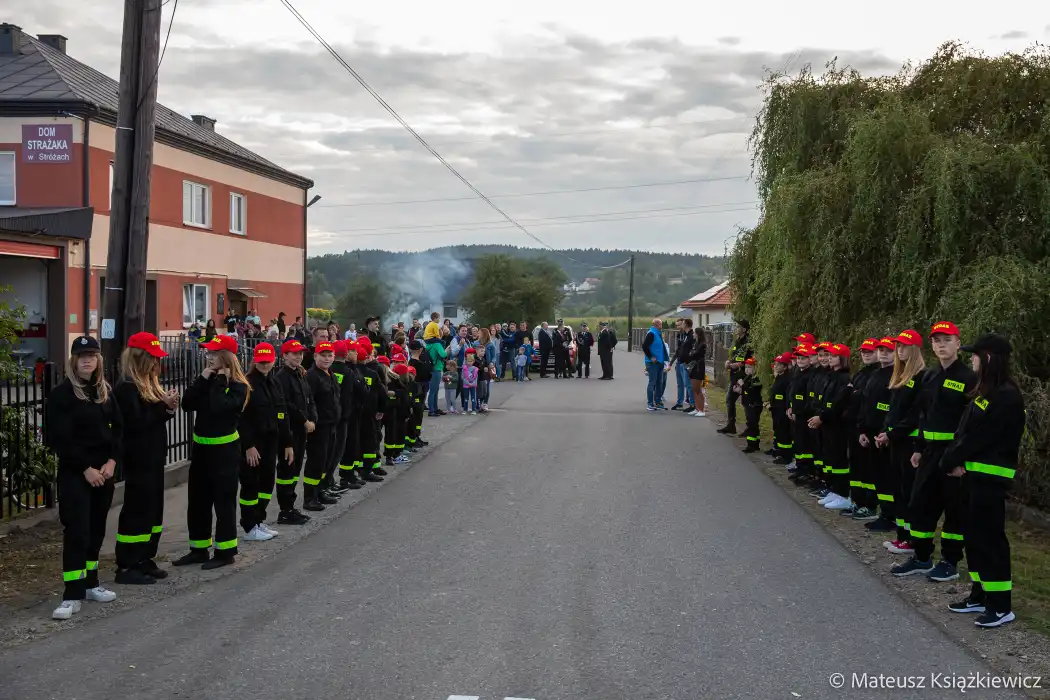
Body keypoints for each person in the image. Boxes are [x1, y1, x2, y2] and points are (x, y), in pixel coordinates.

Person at [940, 333, 1024, 628]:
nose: (971, 359)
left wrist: (950, 460)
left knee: (990, 541)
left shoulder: (1006, 396)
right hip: (973, 477)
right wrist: (954, 460)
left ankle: (1000, 606)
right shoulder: (986, 392)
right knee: (974, 539)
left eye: (975, 355)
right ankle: (980, 594)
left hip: (990, 479)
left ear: (987, 358)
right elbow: (963, 432)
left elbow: (979, 438)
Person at [892, 321, 977, 582]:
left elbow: (972, 422)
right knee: (920, 504)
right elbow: (923, 414)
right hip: (928, 452)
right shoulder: (929, 376)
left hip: (952, 454)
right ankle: (921, 557)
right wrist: (918, 447)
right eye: (937, 340)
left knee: (953, 510)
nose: (941, 345)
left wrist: (960, 458)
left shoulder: (968, 378)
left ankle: (950, 562)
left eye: (947, 340)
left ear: (958, 344)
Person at [45, 336, 122, 620]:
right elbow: (58, 439)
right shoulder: (62, 395)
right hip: (76, 473)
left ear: (98, 359)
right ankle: (72, 593)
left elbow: (118, 430)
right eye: (81, 356)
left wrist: (112, 462)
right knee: (77, 531)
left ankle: (91, 584)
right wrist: (85, 468)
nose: (87, 360)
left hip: (103, 473)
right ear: (73, 361)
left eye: (91, 355)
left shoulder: (104, 392)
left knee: (96, 529)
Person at [173, 334, 250, 570]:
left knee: (223, 502)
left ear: (226, 357)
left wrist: (221, 381)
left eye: (214, 354)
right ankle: (198, 549)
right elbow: (187, 403)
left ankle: (225, 551)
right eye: (209, 353)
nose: (209, 357)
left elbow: (218, 407)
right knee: (198, 501)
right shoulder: (209, 379)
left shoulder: (238, 386)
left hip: (224, 451)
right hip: (202, 450)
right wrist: (203, 378)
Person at [113, 332, 178, 585]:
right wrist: (162, 407)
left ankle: (144, 557)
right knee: (137, 510)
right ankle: (127, 563)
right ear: (141, 359)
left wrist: (167, 409)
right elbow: (137, 424)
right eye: (153, 359)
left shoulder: (146, 385)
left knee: (153, 509)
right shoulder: (127, 389)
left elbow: (153, 419)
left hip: (153, 456)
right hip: (138, 458)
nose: (157, 363)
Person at [876, 329, 926, 553]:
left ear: (914, 349)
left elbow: (915, 414)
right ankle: (902, 536)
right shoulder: (900, 375)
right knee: (898, 489)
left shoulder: (921, 377)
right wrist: (885, 431)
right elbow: (893, 410)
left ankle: (911, 540)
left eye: (904, 346)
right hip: (896, 441)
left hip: (909, 442)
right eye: (898, 346)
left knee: (908, 491)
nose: (900, 350)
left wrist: (893, 433)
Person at [238, 342, 293, 543]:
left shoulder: (274, 382)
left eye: (268, 361)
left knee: (266, 484)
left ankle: (258, 520)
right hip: (254, 444)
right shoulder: (246, 384)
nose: (265, 365)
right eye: (261, 361)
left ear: (273, 360)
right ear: (255, 361)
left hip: (271, 441)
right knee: (250, 485)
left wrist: (288, 443)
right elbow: (241, 418)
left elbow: (282, 414)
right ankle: (249, 526)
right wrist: (248, 446)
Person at [274, 339, 315, 525]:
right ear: (284, 355)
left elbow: (308, 398)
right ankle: (285, 510)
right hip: (289, 430)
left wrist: (312, 418)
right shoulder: (282, 377)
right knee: (287, 470)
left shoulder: (300, 374)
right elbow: (287, 405)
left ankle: (290, 507)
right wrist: (304, 420)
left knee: (295, 469)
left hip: (301, 430)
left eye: (300, 353)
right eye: (294, 353)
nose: (298, 356)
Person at [859, 337, 897, 529]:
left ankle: (890, 516)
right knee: (878, 476)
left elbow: (893, 408)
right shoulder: (875, 374)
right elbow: (866, 404)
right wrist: (863, 429)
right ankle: (884, 513)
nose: (883, 354)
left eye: (888, 351)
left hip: (885, 435)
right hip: (871, 432)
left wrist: (886, 432)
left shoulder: (896, 375)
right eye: (881, 350)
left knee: (888, 476)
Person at [810, 343, 854, 510]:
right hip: (828, 423)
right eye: (829, 355)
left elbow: (838, 403)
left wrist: (823, 416)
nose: (829, 358)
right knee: (831, 458)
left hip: (838, 424)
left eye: (834, 356)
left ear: (842, 359)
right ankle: (834, 489)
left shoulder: (844, 378)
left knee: (839, 458)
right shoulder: (832, 375)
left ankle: (842, 493)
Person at [844, 339, 881, 521]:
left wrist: (855, 393)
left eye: (870, 351)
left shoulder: (877, 374)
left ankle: (870, 505)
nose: (866, 354)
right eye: (863, 352)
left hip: (868, 427)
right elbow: (849, 395)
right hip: (856, 425)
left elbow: (866, 400)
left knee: (869, 469)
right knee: (856, 465)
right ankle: (857, 501)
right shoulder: (860, 373)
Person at [303, 341, 342, 511]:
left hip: (331, 425)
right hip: (319, 428)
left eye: (329, 355)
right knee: (316, 462)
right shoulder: (312, 376)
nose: (326, 359)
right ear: (315, 356)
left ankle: (320, 491)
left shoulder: (330, 374)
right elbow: (308, 402)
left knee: (326, 461)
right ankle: (309, 497)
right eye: (322, 355)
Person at [717, 320, 752, 434]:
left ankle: (750, 428)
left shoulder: (749, 342)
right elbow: (734, 355)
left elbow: (752, 359)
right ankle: (731, 425)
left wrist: (740, 364)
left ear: (744, 329)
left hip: (744, 376)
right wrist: (729, 362)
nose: (736, 328)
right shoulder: (736, 341)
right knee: (730, 400)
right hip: (734, 375)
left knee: (746, 402)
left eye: (738, 326)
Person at [769, 353, 793, 462]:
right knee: (778, 431)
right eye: (775, 364)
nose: (776, 366)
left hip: (782, 409)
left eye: (779, 364)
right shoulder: (779, 377)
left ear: (785, 366)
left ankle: (785, 455)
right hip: (776, 409)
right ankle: (778, 451)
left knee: (784, 433)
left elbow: (787, 395)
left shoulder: (787, 379)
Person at [642, 318, 668, 411]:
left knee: (659, 382)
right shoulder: (651, 333)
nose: (661, 326)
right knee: (652, 382)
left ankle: (658, 401)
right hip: (653, 362)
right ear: (657, 325)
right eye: (661, 324)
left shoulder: (657, 333)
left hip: (660, 361)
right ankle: (650, 403)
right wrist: (651, 357)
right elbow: (645, 346)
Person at [739, 358, 763, 453]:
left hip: (754, 405)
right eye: (746, 367)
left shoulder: (757, 379)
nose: (747, 369)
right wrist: (740, 389)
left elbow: (753, 392)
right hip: (748, 404)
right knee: (752, 424)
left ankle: (751, 445)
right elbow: (746, 391)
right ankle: (755, 443)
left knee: (752, 424)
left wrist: (743, 385)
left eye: (749, 367)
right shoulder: (748, 377)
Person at [424, 318, 447, 417]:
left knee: (434, 390)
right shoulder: (437, 344)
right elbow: (443, 354)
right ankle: (432, 410)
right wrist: (447, 350)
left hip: (431, 368)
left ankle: (435, 408)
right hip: (437, 368)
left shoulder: (428, 344)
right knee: (434, 391)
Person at [670, 319, 696, 409]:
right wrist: (671, 362)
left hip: (686, 362)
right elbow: (679, 349)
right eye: (677, 325)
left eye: (680, 325)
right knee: (680, 384)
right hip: (679, 361)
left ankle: (692, 403)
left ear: (685, 325)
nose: (678, 327)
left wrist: (689, 361)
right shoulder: (681, 335)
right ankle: (679, 403)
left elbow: (692, 350)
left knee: (688, 384)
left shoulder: (691, 336)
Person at [462, 349, 480, 414]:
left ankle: (473, 410)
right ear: (466, 361)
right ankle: (465, 409)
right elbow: (463, 377)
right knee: (466, 398)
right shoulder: (464, 368)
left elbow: (476, 378)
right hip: (466, 385)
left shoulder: (475, 369)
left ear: (473, 361)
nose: (469, 362)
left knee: (473, 398)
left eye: (471, 361)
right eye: (468, 361)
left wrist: (472, 384)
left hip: (473, 385)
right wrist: (468, 383)